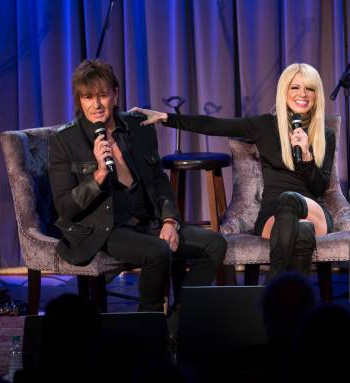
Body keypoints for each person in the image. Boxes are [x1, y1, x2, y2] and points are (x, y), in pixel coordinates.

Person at [48, 59, 226, 312]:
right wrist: (99, 174)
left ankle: (178, 322)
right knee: (158, 252)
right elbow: (65, 207)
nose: (96, 104)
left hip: (148, 221)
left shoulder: (137, 128)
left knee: (214, 244)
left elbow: (158, 181)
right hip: (104, 229)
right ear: (79, 101)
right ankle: (149, 326)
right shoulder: (65, 141)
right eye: (88, 97)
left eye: (102, 95)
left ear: (115, 94)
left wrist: (169, 220)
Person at [131, 63, 335, 279]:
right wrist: (166, 118)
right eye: (295, 87)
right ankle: (295, 303)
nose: (302, 94)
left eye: (309, 89)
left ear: (316, 94)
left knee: (291, 200)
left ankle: (271, 292)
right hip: (274, 216)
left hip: (313, 213)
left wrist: (306, 157)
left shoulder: (325, 134)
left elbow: (319, 187)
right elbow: (215, 125)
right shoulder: (265, 126)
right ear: (284, 91)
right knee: (301, 231)